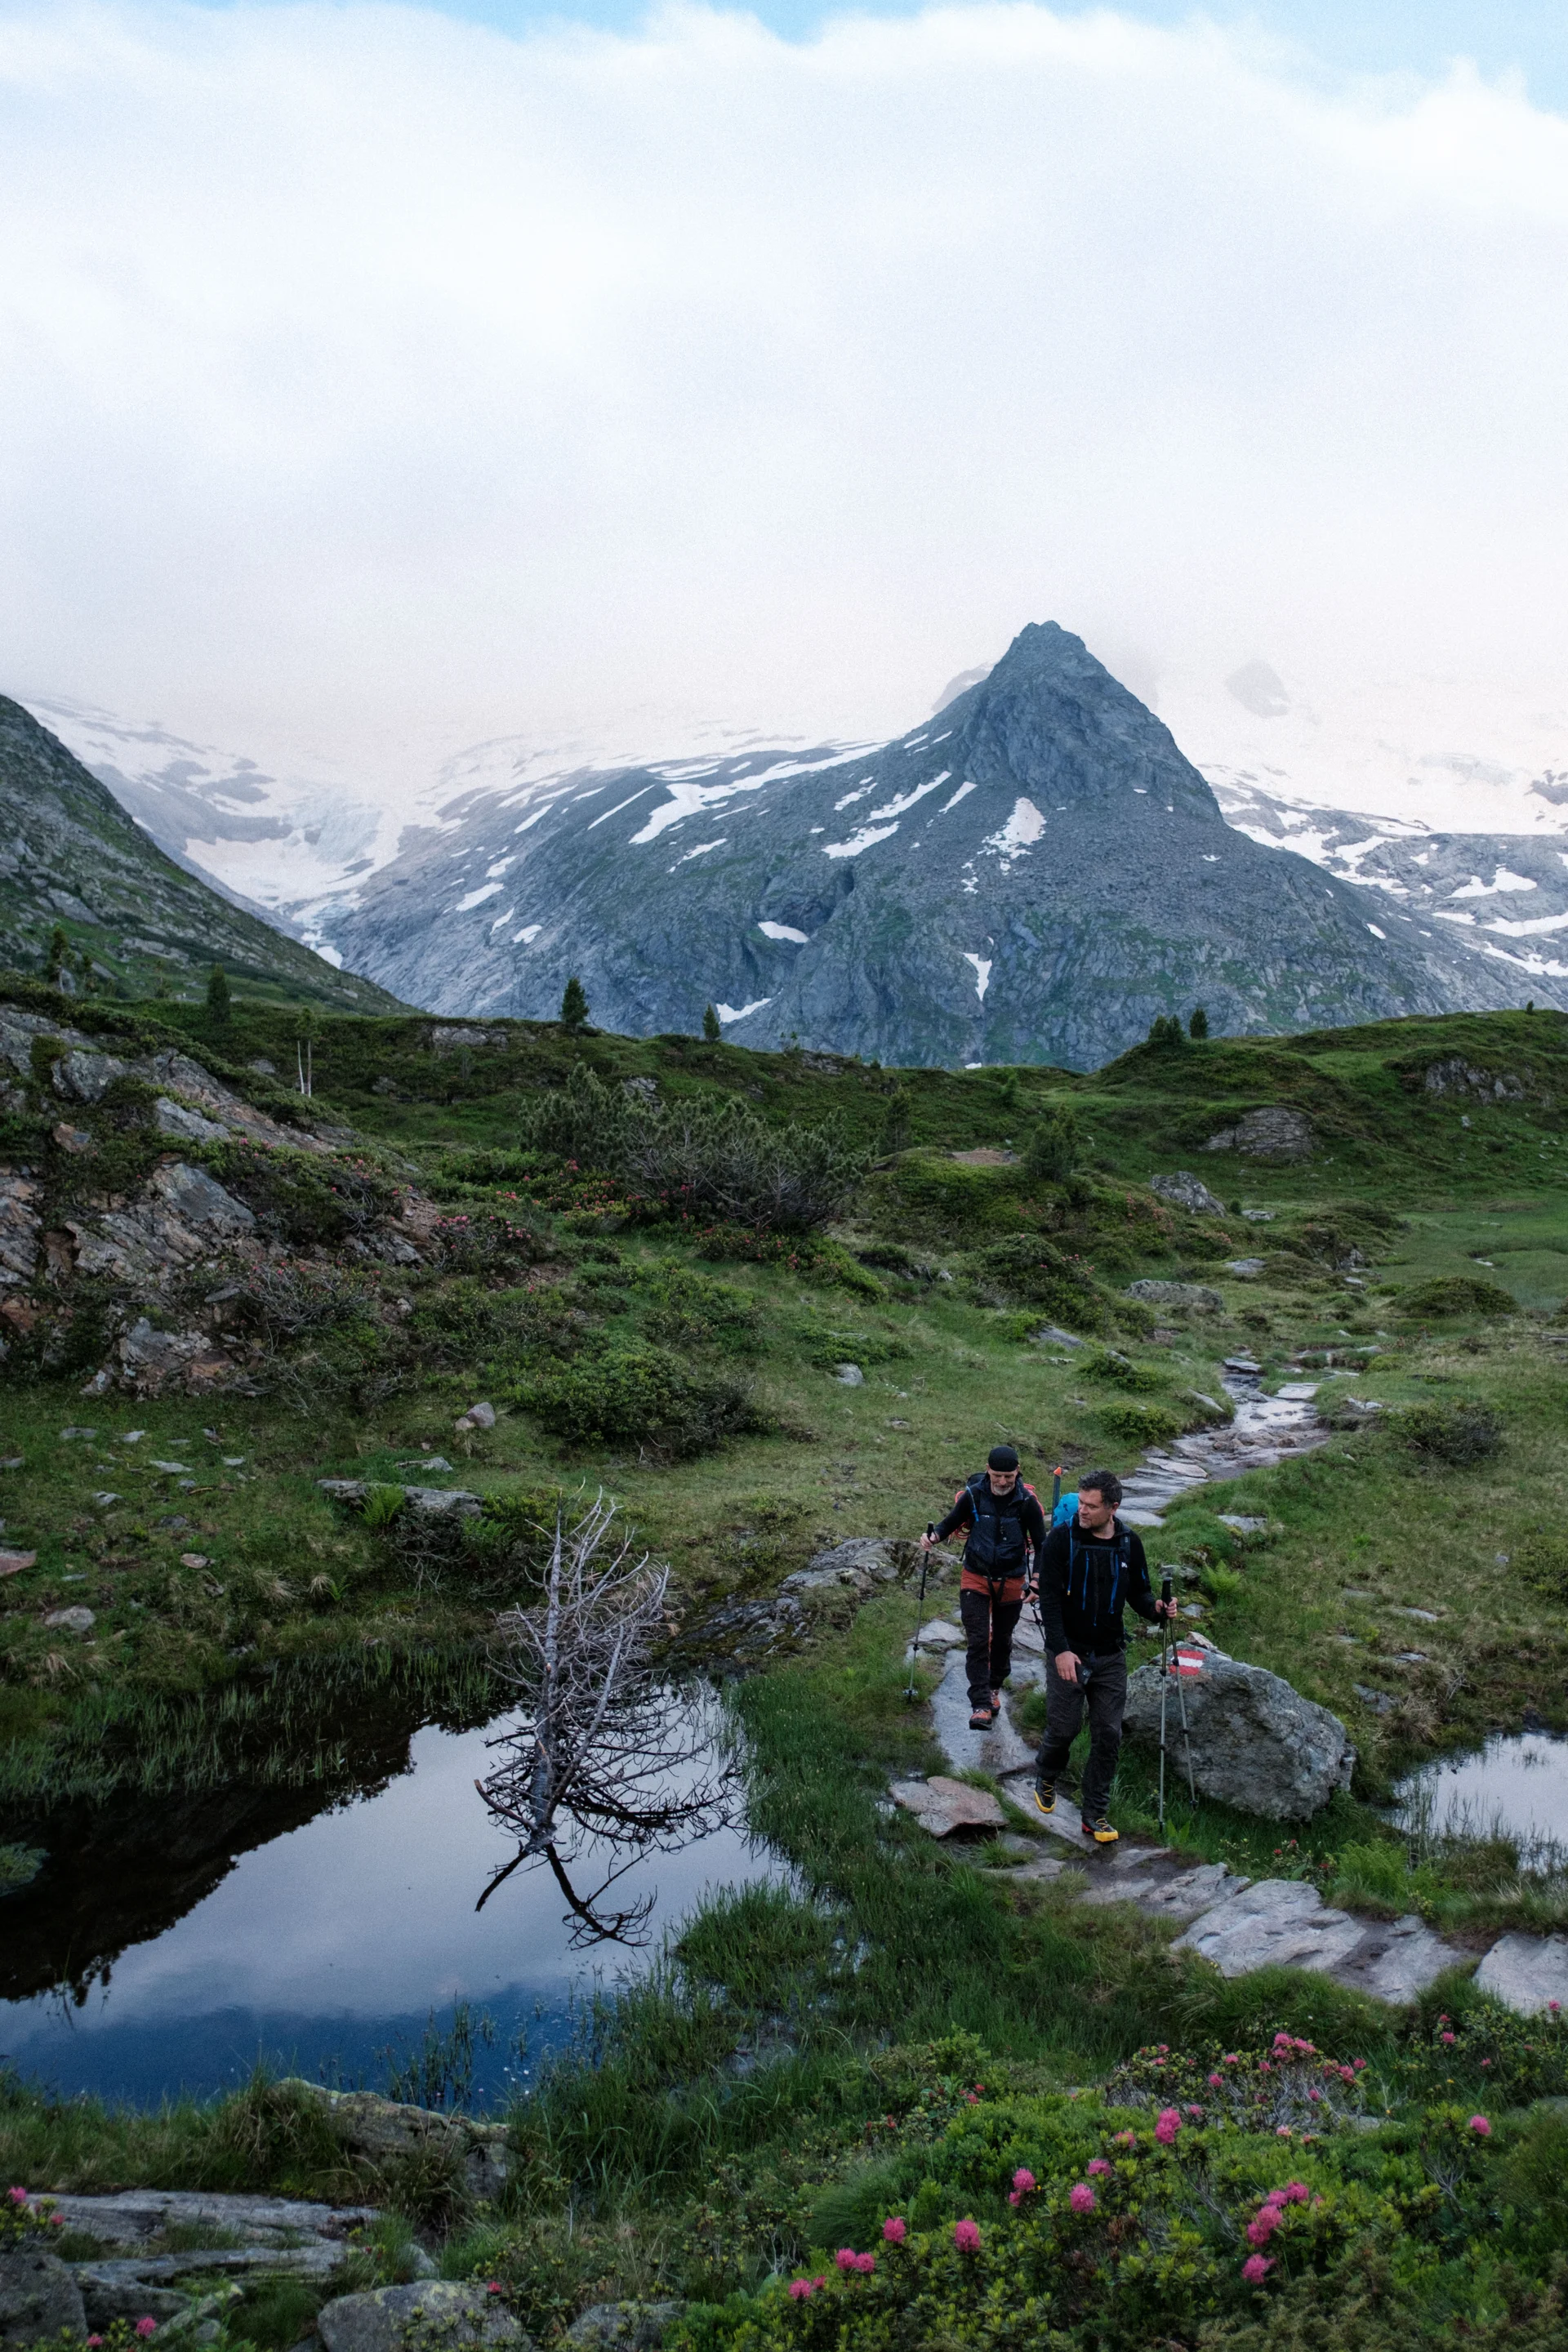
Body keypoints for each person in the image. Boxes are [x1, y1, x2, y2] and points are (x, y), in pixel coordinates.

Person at [1031, 1468, 1176, 1844]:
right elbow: (1049, 1601)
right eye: (1081, 1502)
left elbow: (1139, 1594)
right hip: (1069, 1651)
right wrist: (1061, 1650)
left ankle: (1094, 1813)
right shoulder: (1061, 1540)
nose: (1082, 1510)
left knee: (1109, 1735)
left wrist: (1157, 1609)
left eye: (1091, 1506)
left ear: (1113, 1508)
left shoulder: (1129, 1543)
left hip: (1111, 1654)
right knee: (1064, 1728)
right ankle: (1047, 1773)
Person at [923, 1445, 1046, 1729]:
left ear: (1018, 1472)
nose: (1002, 1482)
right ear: (988, 1470)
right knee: (978, 1640)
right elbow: (950, 1522)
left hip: (1012, 1579)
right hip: (975, 1576)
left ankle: (994, 1687)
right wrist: (934, 1536)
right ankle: (980, 1704)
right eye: (997, 1475)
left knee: (1002, 1639)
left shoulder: (1027, 1503)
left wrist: (1036, 1581)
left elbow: (1042, 1546)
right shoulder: (974, 1495)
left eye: (1009, 1476)